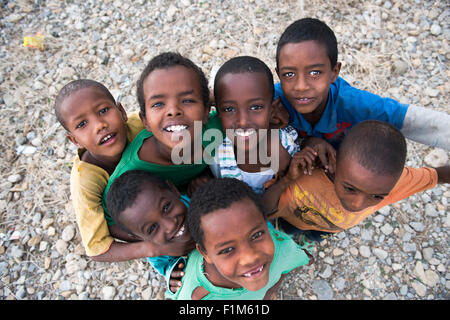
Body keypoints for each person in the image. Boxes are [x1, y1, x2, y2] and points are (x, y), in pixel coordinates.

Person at [54, 79, 188, 262]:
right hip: (140, 223)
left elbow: (181, 116)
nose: (99, 125)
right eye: (82, 124)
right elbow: (98, 250)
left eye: (103, 111)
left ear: (122, 112)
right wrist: (154, 248)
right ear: (75, 140)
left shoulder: (140, 124)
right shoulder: (85, 180)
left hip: (166, 192)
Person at [263, 120, 449, 248]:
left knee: (315, 236)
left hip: (327, 228)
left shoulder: (394, 183)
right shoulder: (305, 176)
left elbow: (436, 176)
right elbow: (264, 209)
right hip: (292, 220)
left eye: (377, 196)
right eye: (350, 188)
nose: (357, 204)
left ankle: (307, 242)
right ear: (333, 163)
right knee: (286, 232)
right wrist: (288, 178)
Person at [274, 17, 450, 150]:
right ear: (278, 75)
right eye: (289, 74)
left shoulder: (354, 103)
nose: (301, 86)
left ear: (334, 72)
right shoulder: (270, 101)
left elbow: (408, 119)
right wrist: (266, 125)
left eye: (315, 73)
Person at [101, 52, 224, 224]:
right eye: (158, 104)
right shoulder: (131, 173)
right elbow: (111, 220)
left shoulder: (215, 129)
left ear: (206, 112)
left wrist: (205, 174)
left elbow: (245, 100)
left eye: (188, 100)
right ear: (145, 122)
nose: (173, 110)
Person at [212, 55, 335, 195]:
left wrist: (313, 142)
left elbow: (302, 146)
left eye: (256, 107)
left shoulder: (280, 147)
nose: (243, 121)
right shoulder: (218, 150)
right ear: (218, 112)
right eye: (229, 109)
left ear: (272, 109)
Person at [172, 178, 311, 300]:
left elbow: (295, 261)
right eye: (228, 250)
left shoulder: (282, 247)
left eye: (256, 235)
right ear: (205, 254)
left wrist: (272, 288)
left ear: (265, 223)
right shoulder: (194, 295)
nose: (250, 258)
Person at [105, 170, 193, 294]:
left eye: (166, 207)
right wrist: (172, 276)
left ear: (174, 190)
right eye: (152, 228)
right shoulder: (158, 256)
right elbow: (166, 268)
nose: (170, 225)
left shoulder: (196, 199)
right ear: (137, 237)